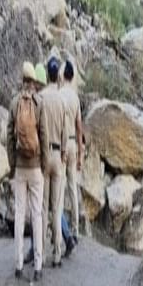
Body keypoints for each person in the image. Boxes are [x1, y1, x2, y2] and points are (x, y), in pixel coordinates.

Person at [11, 62, 46, 283]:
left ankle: (18, 264)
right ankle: (39, 266)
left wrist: (12, 163)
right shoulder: (38, 103)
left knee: (19, 215)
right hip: (35, 168)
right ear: (33, 82)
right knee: (37, 215)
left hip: (19, 168)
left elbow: (8, 136)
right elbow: (43, 134)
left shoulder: (14, 103)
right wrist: (41, 164)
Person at [39, 55, 69, 267]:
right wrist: (65, 152)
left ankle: (40, 252)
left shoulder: (40, 98)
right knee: (56, 207)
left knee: (41, 207)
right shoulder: (61, 99)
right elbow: (66, 131)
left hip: (43, 156)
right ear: (57, 74)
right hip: (58, 156)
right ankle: (57, 251)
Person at [60, 59, 86, 245]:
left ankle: (63, 231)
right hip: (73, 144)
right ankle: (76, 229)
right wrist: (81, 152)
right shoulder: (75, 98)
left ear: (62, 75)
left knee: (60, 189)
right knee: (72, 188)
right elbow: (79, 127)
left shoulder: (60, 95)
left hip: (62, 144)